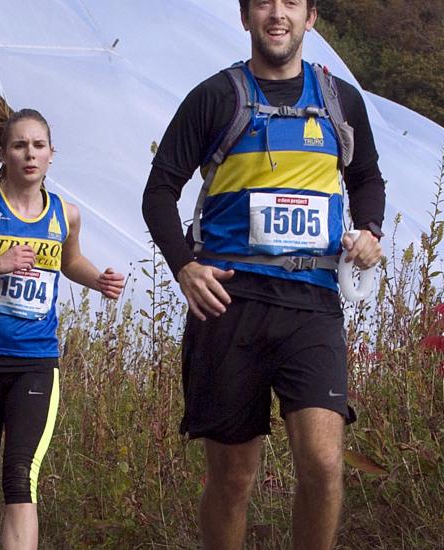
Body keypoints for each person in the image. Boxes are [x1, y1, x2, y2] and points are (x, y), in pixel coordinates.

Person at [140, 1, 389, 548]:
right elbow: (159, 192)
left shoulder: (340, 100)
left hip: (313, 303)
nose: (278, 14)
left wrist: (370, 231)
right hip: (230, 304)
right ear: (245, 16)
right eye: (264, 3)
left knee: (324, 464)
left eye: (291, 3)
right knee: (233, 478)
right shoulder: (214, 97)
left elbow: (367, 178)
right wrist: (184, 266)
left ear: (311, 17)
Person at [0, 92, 127, 549]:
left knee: (21, 477)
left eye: (38, 146)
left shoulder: (65, 215)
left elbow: (69, 262)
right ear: (4, 153)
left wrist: (100, 280)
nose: (29, 154)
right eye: (19, 146)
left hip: (37, 361)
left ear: (52, 155)